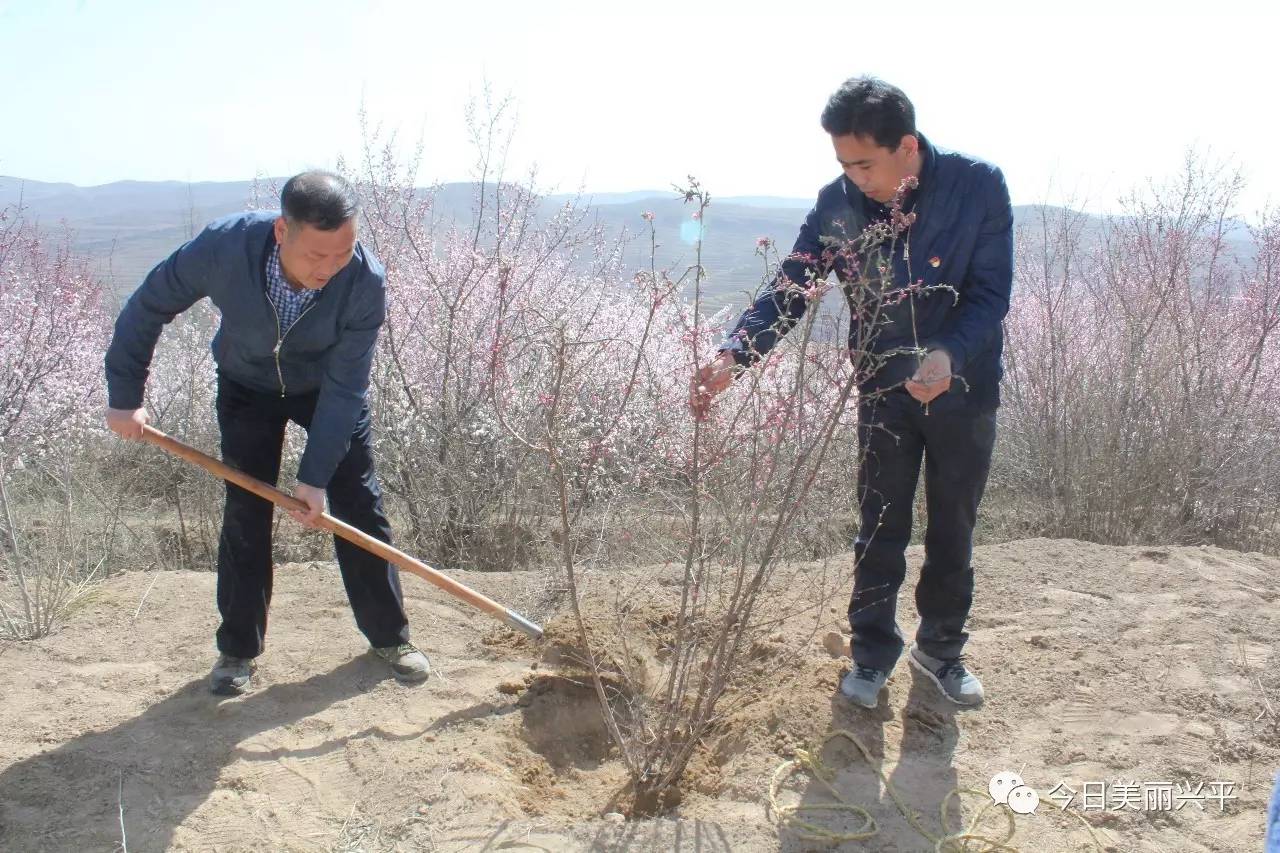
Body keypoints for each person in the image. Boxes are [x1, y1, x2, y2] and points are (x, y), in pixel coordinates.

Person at [691, 77, 1013, 709]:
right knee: (880, 525)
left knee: (954, 525)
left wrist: (947, 354)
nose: (855, 177)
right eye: (844, 164)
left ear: (908, 146)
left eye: (865, 163)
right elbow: (792, 287)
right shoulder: (839, 204)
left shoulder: (977, 188)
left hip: (964, 389)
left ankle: (941, 651)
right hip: (883, 391)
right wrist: (738, 353)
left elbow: (989, 295)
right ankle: (871, 654)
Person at [104, 170, 429, 695]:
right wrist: (125, 397)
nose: (330, 269)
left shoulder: (365, 282)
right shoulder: (224, 247)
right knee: (246, 509)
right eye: (316, 256)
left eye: (342, 253)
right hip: (246, 384)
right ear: (283, 231)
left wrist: (315, 478)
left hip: (324, 389)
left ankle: (391, 636)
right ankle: (237, 650)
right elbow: (149, 305)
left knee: (357, 502)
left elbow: (347, 389)